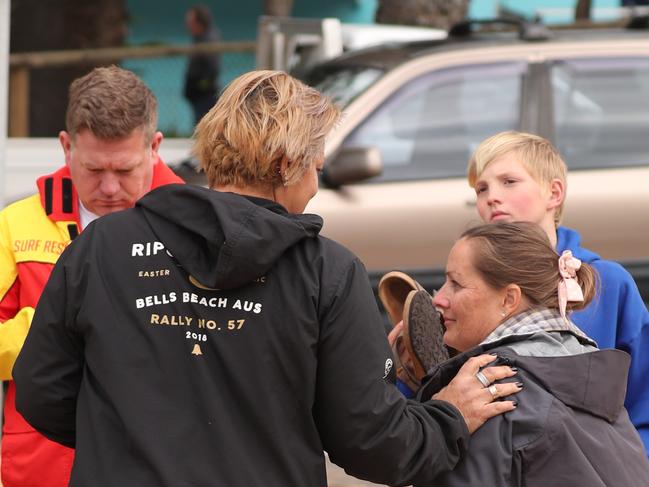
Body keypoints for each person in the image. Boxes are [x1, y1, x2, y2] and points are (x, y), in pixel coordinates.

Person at [13, 70, 519, 487]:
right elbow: (373, 443)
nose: (316, 183)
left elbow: (41, 391)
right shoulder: (327, 272)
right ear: (284, 163)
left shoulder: (101, 246)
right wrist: (450, 415)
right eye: (314, 166)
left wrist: (131, 435)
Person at [0, 65, 183, 487]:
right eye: (94, 170)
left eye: (124, 170)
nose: (110, 189)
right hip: (45, 465)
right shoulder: (16, 225)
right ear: (66, 148)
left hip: (159, 462)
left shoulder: (194, 230)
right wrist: (49, 331)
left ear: (155, 147)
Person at [421, 221, 649, 485]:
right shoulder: (586, 370)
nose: (438, 298)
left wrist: (440, 419)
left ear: (509, 299)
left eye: (456, 284)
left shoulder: (492, 392)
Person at [467, 130, 649, 453]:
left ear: (554, 193)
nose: (491, 196)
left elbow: (644, 400)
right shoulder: (472, 289)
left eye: (509, 182)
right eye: (482, 188)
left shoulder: (609, 283)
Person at [184, 4, 221, 124]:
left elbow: (212, 68)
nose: (188, 24)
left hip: (205, 97)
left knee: (204, 126)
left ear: (200, 22)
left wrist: (200, 87)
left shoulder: (208, 41)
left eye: (190, 21)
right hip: (198, 97)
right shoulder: (199, 39)